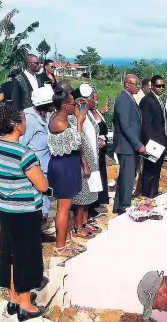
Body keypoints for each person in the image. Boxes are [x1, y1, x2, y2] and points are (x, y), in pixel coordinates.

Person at [0, 105, 48, 320]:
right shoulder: (24, 153)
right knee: (26, 256)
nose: (26, 122)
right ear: (15, 125)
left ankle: (13, 298)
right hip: (25, 210)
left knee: (10, 254)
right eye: (23, 119)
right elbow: (41, 185)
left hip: (5, 207)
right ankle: (25, 304)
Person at [47, 82, 87, 257]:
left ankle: (67, 239)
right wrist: (79, 121)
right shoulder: (58, 123)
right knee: (63, 207)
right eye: (72, 104)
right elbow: (77, 141)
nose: (75, 106)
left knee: (67, 205)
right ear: (64, 106)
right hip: (63, 167)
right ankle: (60, 247)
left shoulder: (59, 117)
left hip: (67, 164)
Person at [19, 86, 56, 242]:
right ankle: (32, 239)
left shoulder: (46, 116)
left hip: (46, 169)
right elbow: (21, 146)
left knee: (44, 205)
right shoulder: (29, 119)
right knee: (36, 206)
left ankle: (39, 234)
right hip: (34, 171)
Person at [70, 84, 102, 239]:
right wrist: (85, 163)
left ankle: (84, 222)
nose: (95, 101)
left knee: (89, 194)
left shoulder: (88, 113)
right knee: (81, 195)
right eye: (92, 98)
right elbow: (78, 140)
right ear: (83, 100)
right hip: (83, 161)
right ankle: (77, 226)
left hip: (93, 157)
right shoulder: (76, 116)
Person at [112, 74, 146, 215]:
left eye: (138, 83)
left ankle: (119, 205)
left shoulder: (129, 98)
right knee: (127, 177)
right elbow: (126, 126)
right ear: (127, 84)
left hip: (129, 146)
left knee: (126, 176)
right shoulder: (123, 100)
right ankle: (124, 207)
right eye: (135, 83)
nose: (137, 86)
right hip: (127, 146)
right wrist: (138, 144)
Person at [140, 75, 167, 198]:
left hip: (161, 142)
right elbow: (146, 125)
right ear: (152, 86)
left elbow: (164, 122)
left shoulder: (158, 99)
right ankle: (146, 196)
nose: (161, 88)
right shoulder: (147, 100)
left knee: (157, 171)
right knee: (149, 172)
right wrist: (149, 145)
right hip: (152, 144)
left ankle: (154, 194)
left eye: (163, 86)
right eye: (158, 86)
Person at [88, 88, 110, 219]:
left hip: (102, 150)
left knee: (101, 175)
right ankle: (91, 206)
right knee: (94, 177)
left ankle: (100, 200)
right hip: (93, 150)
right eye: (94, 99)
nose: (96, 102)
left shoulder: (97, 113)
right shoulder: (87, 115)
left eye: (97, 99)